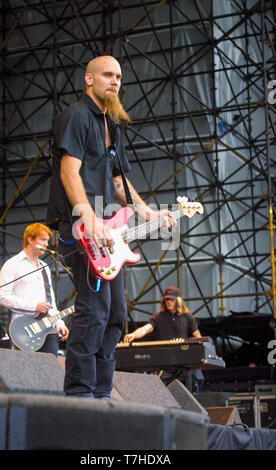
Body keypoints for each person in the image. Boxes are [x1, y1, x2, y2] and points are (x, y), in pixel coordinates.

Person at [46, 55, 174, 398]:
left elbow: (119, 183)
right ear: (89, 80)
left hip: (107, 232)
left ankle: (102, 394)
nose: (114, 81)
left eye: (118, 76)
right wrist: (87, 216)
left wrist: (149, 212)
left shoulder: (112, 125)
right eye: (107, 75)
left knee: (116, 313)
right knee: (93, 311)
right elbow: (68, 173)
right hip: (79, 229)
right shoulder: (75, 117)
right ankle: (80, 395)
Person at [0, 223, 69, 354]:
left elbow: (50, 302)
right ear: (30, 240)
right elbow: (2, 296)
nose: (47, 244)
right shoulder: (12, 264)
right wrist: (33, 306)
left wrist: (60, 324)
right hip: (23, 330)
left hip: (47, 330)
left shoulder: (44, 267)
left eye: (47, 241)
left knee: (50, 369)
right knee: (28, 370)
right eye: (42, 240)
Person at [123, 286, 202, 386]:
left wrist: (186, 343)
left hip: (183, 366)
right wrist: (133, 335)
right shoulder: (158, 317)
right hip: (165, 367)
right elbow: (146, 329)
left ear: (178, 301)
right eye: (167, 300)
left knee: (185, 397)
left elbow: (199, 339)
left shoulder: (188, 317)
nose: (169, 302)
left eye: (171, 300)